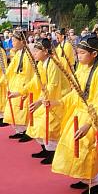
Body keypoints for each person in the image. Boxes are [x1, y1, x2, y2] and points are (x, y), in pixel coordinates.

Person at [51, 32, 98, 194]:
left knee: (86, 148)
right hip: (77, 113)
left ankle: (96, 181)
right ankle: (83, 176)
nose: (79, 56)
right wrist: (58, 102)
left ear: (94, 54)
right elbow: (75, 93)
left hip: (90, 116)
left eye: (83, 53)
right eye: (78, 53)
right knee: (71, 145)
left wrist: (89, 124)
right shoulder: (81, 68)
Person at [24, 37, 69, 165]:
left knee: (49, 127)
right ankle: (46, 148)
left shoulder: (53, 64)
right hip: (48, 98)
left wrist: (39, 101)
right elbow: (35, 82)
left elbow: (53, 87)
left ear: (45, 51)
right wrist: (22, 91)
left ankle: (53, 153)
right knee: (35, 122)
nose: (34, 54)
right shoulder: (40, 64)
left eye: (37, 51)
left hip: (58, 99)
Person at [5, 30, 35, 141]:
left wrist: (25, 88)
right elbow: (11, 69)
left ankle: (26, 131)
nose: (12, 43)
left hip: (24, 84)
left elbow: (30, 73)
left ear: (21, 41)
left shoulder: (29, 54)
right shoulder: (18, 53)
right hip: (16, 82)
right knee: (13, 108)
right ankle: (19, 130)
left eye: (14, 40)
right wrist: (2, 80)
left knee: (23, 109)